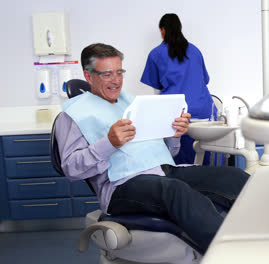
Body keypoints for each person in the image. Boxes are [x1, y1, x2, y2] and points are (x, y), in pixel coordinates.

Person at [55, 43, 249, 253]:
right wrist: (109, 143)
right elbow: (71, 169)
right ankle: (231, 256)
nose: (116, 81)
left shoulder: (130, 102)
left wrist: (173, 134)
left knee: (234, 176)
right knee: (176, 191)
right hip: (122, 185)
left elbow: (167, 152)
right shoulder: (72, 115)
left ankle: (260, 241)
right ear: (89, 75)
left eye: (119, 72)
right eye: (107, 74)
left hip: (163, 171)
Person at [141, 13, 215, 165]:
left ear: (162, 30)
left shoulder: (156, 54)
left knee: (179, 164)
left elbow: (157, 92)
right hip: (203, 113)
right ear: (180, 28)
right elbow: (204, 81)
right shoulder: (195, 51)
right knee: (201, 161)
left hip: (177, 116)